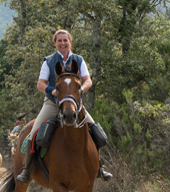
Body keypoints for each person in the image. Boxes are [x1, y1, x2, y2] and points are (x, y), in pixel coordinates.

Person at [16, 29, 113, 183]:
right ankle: (27, 170)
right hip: (53, 103)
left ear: (70, 42)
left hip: (75, 104)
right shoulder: (48, 61)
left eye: (65, 40)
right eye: (59, 41)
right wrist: (52, 90)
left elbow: (88, 80)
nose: (62, 43)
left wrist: (80, 89)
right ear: (55, 43)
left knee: (95, 131)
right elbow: (40, 84)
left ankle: (99, 167)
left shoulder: (79, 60)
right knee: (33, 132)